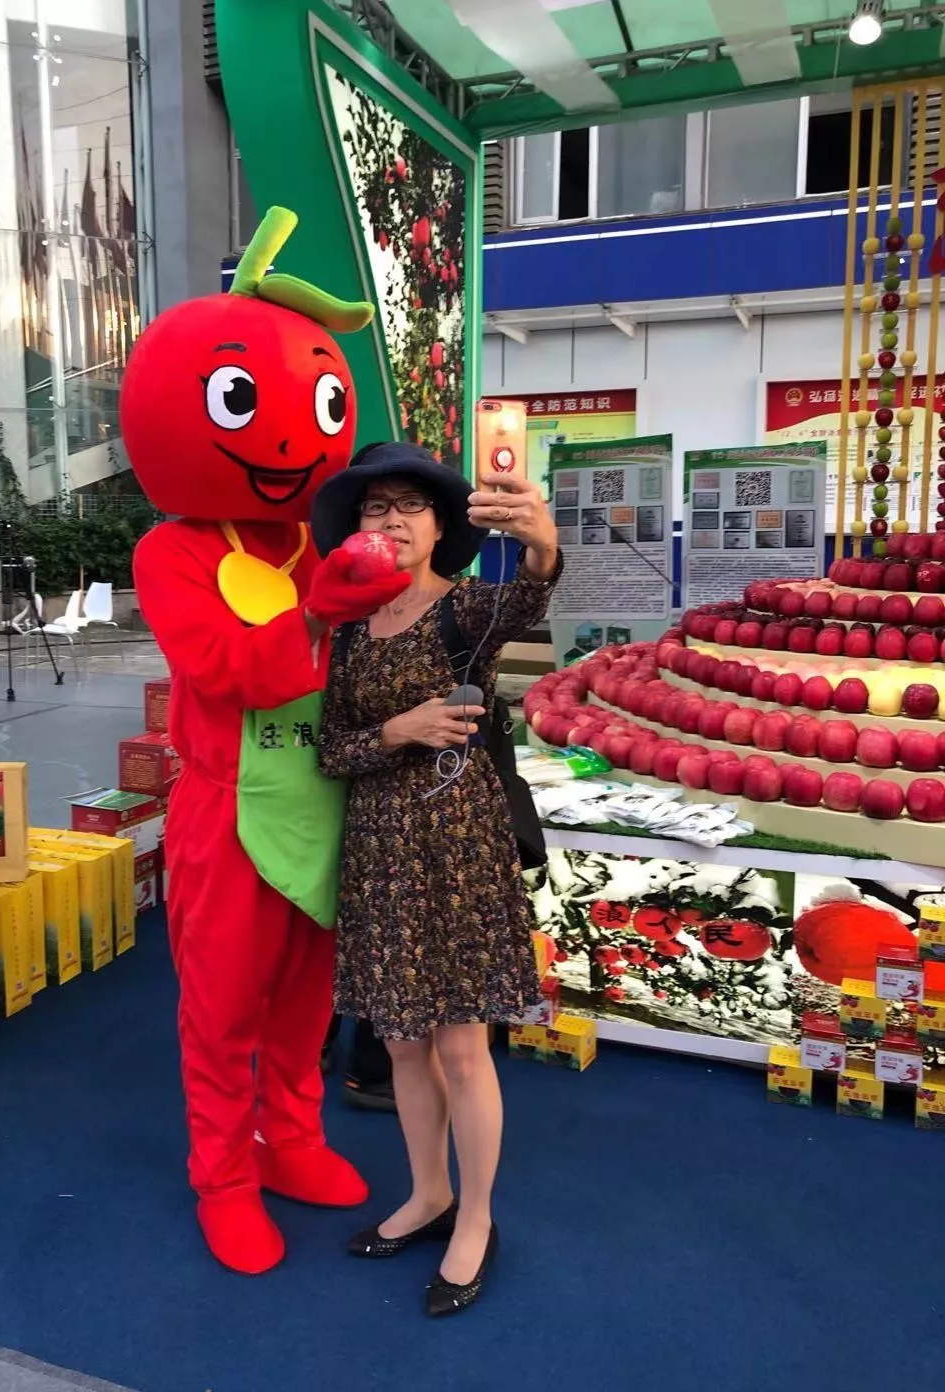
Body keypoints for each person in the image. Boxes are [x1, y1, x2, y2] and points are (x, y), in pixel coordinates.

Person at [120, 209, 409, 1277]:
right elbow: (220, 669)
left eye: (319, 406)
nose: (291, 439)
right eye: (244, 404)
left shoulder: (317, 539)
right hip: (225, 812)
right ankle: (223, 1176)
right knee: (222, 1007)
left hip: (324, 803)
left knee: (304, 1000)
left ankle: (289, 1137)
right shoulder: (172, 553)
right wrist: (325, 612)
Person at [313, 441, 560, 1316]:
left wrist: (540, 538)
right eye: (375, 506)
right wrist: (399, 730)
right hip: (379, 855)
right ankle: (428, 1193)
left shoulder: (469, 611)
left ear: (439, 523)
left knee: (462, 1046)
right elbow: (329, 750)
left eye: (409, 505)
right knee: (403, 1044)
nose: (390, 520)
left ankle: (476, 1219)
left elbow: (532, 591)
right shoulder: (343, 630)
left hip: (458, 850)